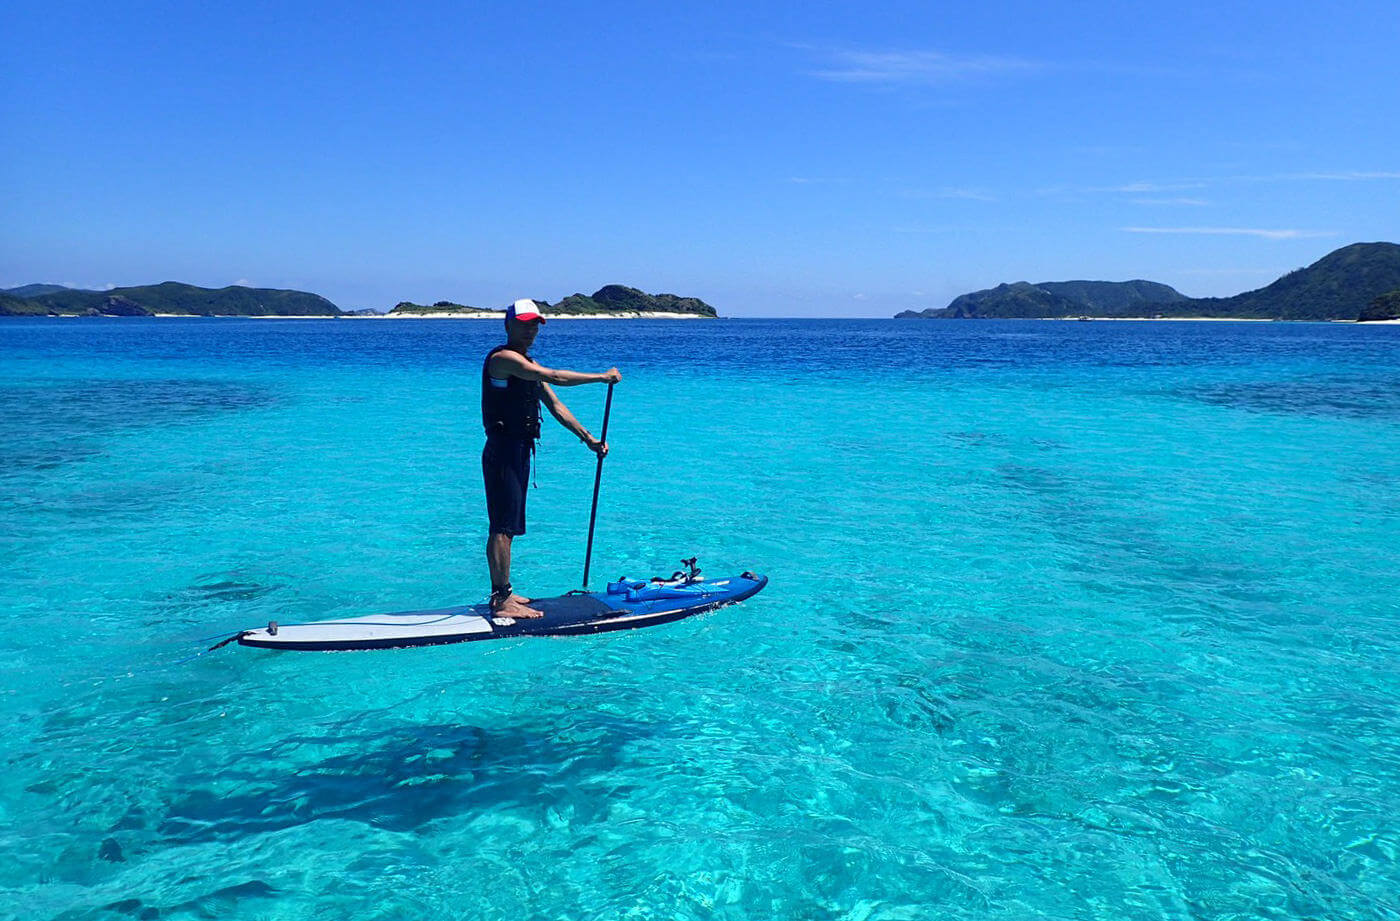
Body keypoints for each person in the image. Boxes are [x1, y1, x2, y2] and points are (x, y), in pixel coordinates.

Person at [482, 299, 621, 618]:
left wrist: (589, 440)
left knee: (510, 527)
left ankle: (505, 591)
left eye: (535, 324)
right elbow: (555, 376)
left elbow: (557, 407)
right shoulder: (503, 360)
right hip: (502, 451)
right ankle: (501, 599)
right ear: (509, 325)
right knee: (501, 527)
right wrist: (601, 377)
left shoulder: (527, 365)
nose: (531, 330)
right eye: (525, 323)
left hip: (518, 452)